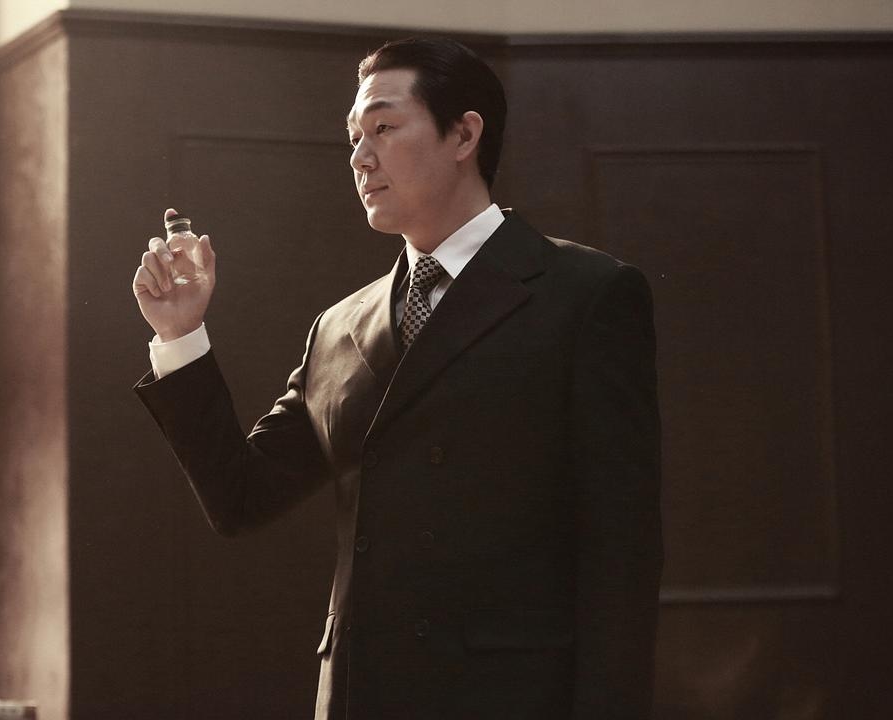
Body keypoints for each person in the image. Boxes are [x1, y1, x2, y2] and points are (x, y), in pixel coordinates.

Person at [132, 37, 663, 720]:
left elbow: (622, 554)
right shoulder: (338, 326)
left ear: (464, 134)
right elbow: (241, 498)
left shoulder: (585, 294)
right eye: (354, 137)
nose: (359, 157)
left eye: (383, 127)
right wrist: (180, 335)